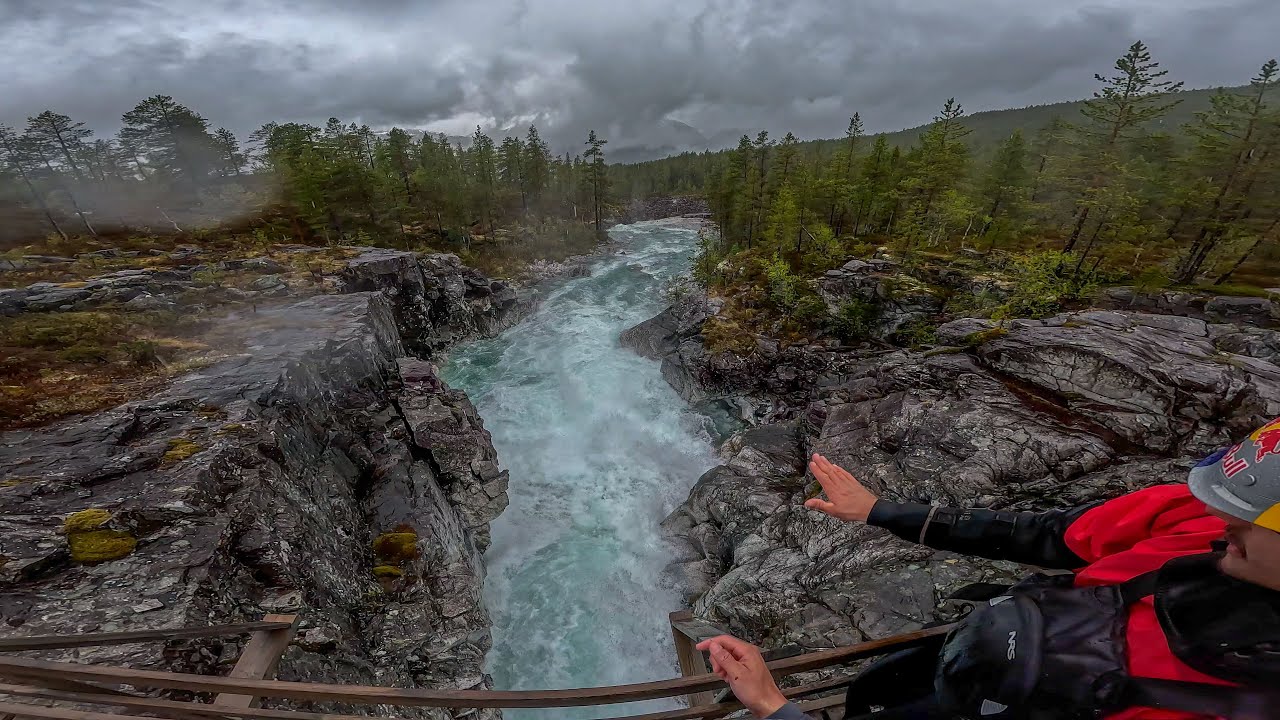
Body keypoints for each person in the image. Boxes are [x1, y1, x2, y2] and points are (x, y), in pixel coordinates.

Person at [696, 418, 1280, 720]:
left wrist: (776, 707)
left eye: (1251, 518)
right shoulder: (1201, 519)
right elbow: (1048, 536)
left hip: (1035, 697)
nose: (1222, 522)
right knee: (878, 685)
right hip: (994, 657)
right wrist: (882, 511)